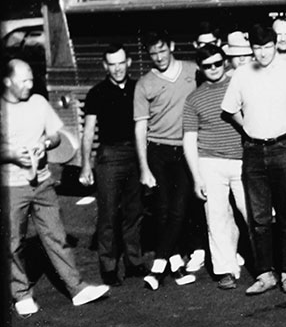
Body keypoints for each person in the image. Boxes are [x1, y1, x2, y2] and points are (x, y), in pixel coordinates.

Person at [4, 58, 111, 317]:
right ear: (8, 81)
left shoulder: (39, 102)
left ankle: (76, 288)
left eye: (32, 79)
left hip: (42, 182)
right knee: (13, 242)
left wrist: (45, 142)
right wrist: (12, 155)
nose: (30, 84)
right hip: (11, 185)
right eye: (24, 80)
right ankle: (21, 294)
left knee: (57, 236)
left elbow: (55, 135)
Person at [220, 24, 286, 295]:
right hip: (254, 151)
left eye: (267, 47)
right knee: (259, 218)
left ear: (275, 45)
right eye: (257, 48)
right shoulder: (242, 74)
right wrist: (247, 127)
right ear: (252, 49)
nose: (262, 53)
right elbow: (229, 109)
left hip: (284, 148)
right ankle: (264, 273)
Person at [134, 30, 199, 290]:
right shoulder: (144, 84)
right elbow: (141, 127)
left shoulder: (193, 70)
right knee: (162, 210)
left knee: (179, 209)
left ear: (171, 46)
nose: (159, 57)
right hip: (158, 151)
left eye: (162, 50)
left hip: (185, 150)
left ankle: (159, 265)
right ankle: (175, 264)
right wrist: (144, 168)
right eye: (153, 53)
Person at [182, 44, 248, 290]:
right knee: (217, 217)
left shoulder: (238, 85)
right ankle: (224, 269)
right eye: (208, 65)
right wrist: (196, 177)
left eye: (218, 63)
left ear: (225, 62)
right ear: (200, 68)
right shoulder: (194, 98)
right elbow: (189, 138)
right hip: (210, 162)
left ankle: (265, 264)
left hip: (242, 160)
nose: (213, 69)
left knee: (251, 212)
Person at [79, 44, 144, 285]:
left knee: (134, 211)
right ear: (105, 66)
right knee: (108, 213)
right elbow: (88, 132)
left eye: (121, 63)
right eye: (112, 64)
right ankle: (108, 266)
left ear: (128, 63)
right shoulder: (97, 93)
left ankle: (134, 262)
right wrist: (86, 165)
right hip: (109, 155)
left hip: (135, 153)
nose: (117, 69)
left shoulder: (139, 88)